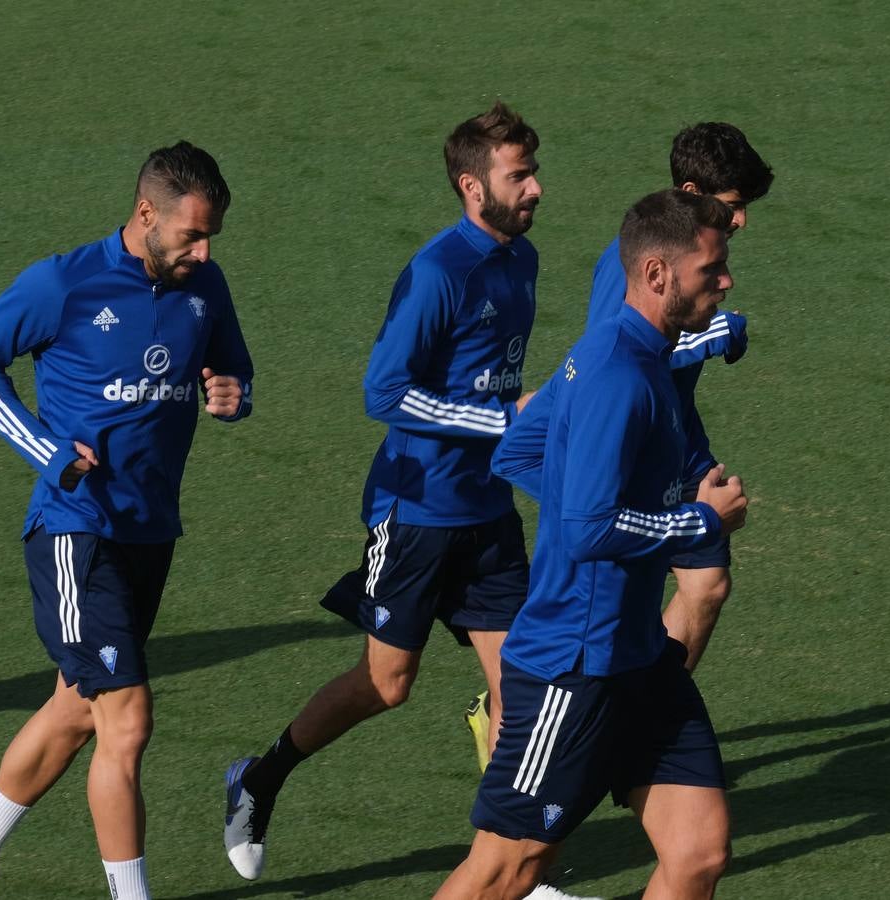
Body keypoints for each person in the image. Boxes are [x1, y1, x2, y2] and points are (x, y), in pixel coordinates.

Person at [222, 102, 543, 883]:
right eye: (519, 175)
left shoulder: (521, 260)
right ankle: (258, 779)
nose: (536, 189)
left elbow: (489, 377)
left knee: (523, 691)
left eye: (534, 171)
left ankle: (507, 872)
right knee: (387, 685)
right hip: (420, 512)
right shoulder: (439, 271)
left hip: (490, 510)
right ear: (472, 186)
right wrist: (502, 419)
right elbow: (384, 392)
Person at [0, 142, 253, 900]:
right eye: (191, 234)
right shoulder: (64, 283)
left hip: (150, 533)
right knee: (127, 720)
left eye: (211, 233)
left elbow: (232, 370)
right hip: (73, 529)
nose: (204, 248)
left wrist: (232, 395)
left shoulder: (204, 285)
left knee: (77, 708)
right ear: (146, 214)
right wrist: (48, 450)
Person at [435, 189, 749, 900]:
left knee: (698, 852)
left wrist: (601, 494)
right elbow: (584, 532)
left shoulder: (630, 352)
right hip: (573, 666)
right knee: (507, 869)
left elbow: (517, 450)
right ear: (659, 274)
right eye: (712, 269)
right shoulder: (617, 375)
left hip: (640, 658)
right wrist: (696, 523)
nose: (726, 280)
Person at [469, 123, 772, 764]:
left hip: (673, 448)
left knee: (706, 586)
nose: (742, 221)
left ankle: (632, 728)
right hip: (637, 458)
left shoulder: (694, 251)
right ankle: (552, 721)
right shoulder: (636, 262)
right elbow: (623, 353)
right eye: (734, 203)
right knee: (632, 580)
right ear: (692, 192)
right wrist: (713, 337)